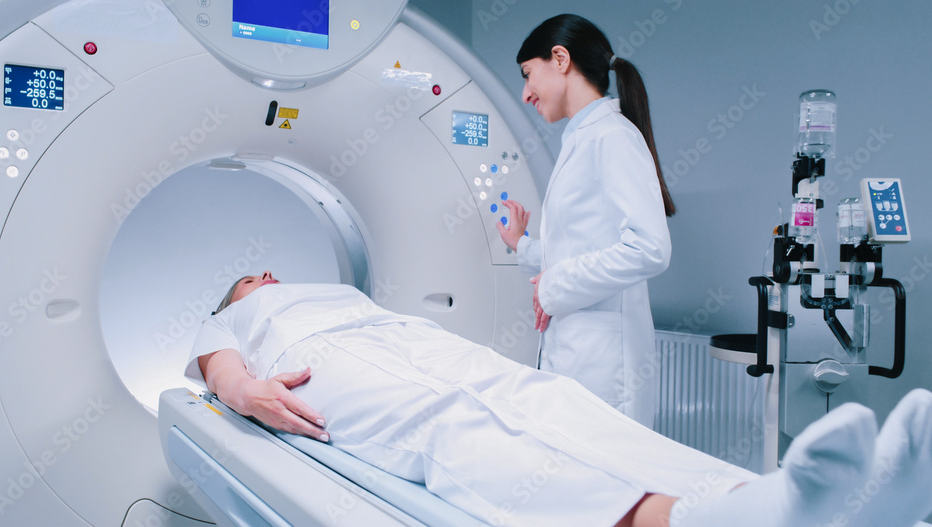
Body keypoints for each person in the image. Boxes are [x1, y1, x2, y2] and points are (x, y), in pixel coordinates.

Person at [186, 271, 932, 527]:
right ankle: (701, 521)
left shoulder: (338, 287)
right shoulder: (240, 318)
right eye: (253, 276)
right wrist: (243, 388)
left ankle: (763, 497)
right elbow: (216, 367)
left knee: (543, 395)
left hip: (399, 334)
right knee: (454, 422)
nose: (268, 276)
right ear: (242, 294)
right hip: (320, 370)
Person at [495, 14, 675, 427]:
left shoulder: (611, 137)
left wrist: (553, 286)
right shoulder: (583, 138)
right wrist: (521, 244)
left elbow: (650, 248)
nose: (525, 94)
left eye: (527, 75)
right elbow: (581, 248)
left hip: (604, 366)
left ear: (560, 59)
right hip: (579, 353)